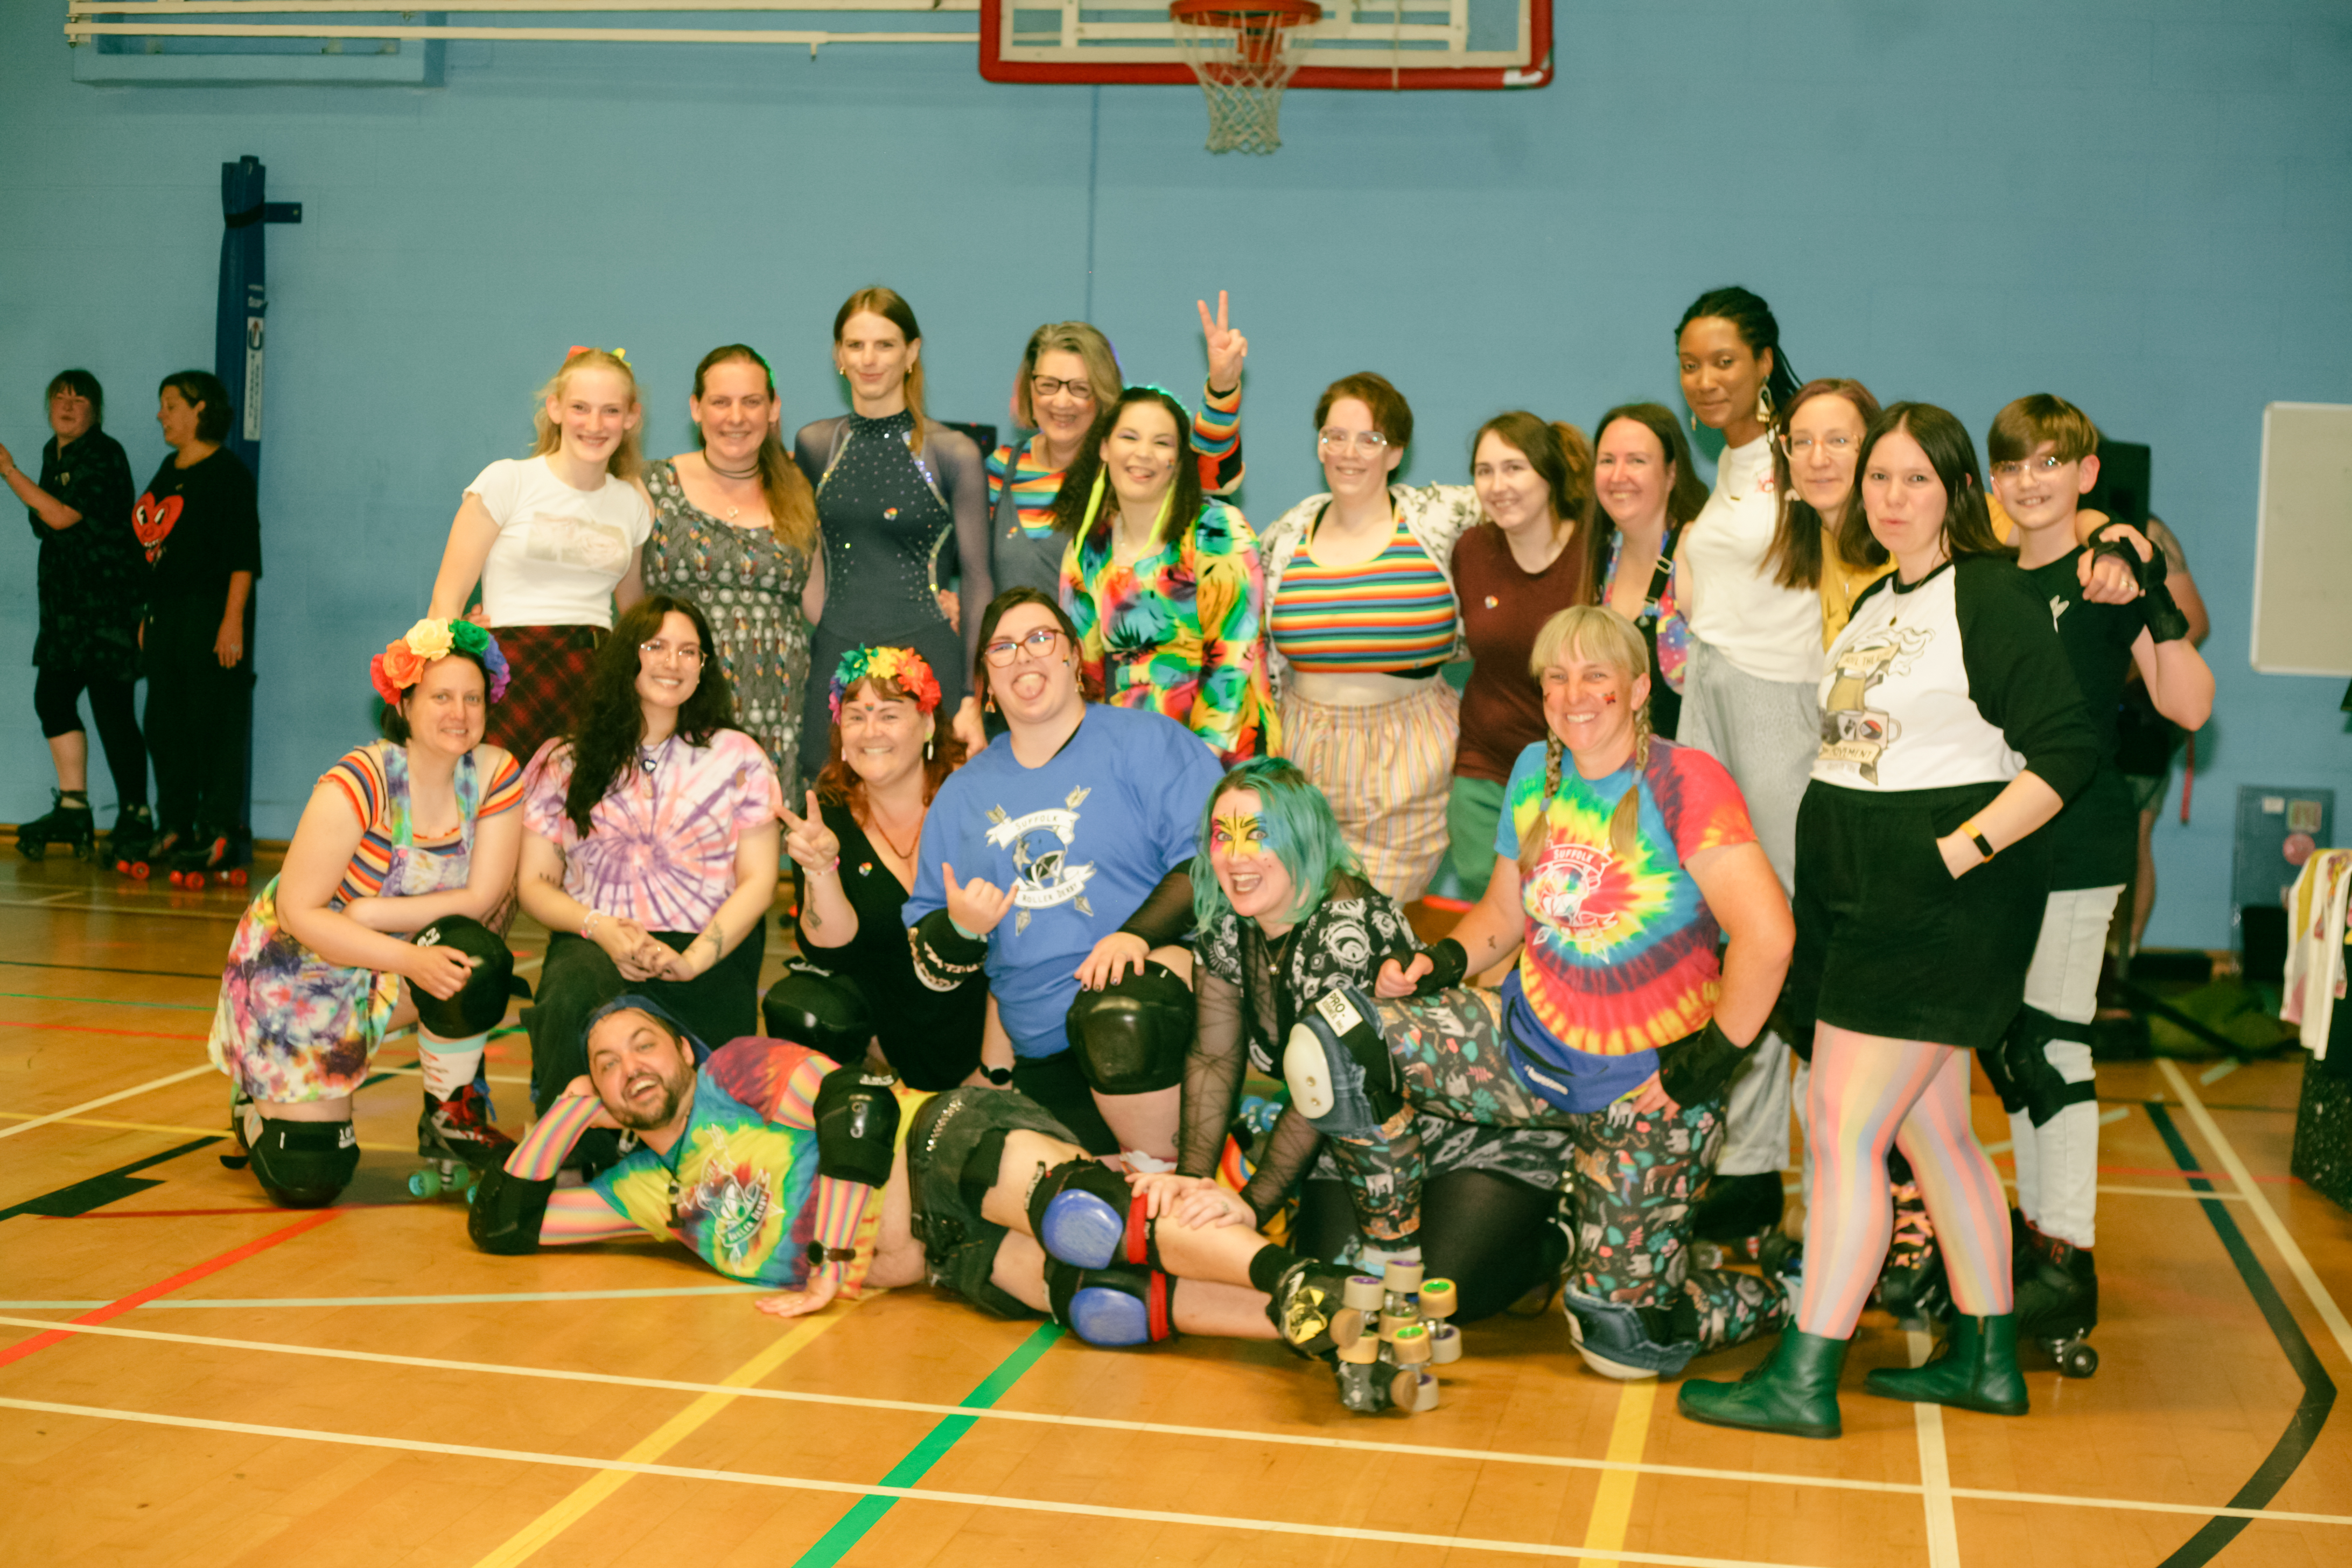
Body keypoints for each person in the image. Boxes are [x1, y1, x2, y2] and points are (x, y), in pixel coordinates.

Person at [1677, 403, 2098, 1439]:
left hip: (1931, 905)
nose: (1889, 497)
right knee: (1935, 1129)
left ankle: (1803, 1373)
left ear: (1958, 491)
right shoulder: (1871, 599)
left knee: (1837, 1129)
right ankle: (1988, 1358)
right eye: (1878, 479)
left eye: (1913, 478)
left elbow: (2067, 751)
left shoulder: (1988, 597)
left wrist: (1957, 852)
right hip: (1859, 895)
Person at [1282, 605, 1795, 1380]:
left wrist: (1708, 1061)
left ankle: (1784, 1294)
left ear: (1635, 687)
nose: (1574, 693)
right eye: (1557, 677)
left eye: (1595, 675)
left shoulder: (1687, 781)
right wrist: (1441, 963)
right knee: (1341, 1040)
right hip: (1528, 1050)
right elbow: (1501, 915)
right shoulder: (1534, 771)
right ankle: (1394, 1274)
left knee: (1625, 1345)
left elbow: (1769, 937)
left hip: (1645, 1089)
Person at [469, 997, 1366, 1373]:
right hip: (944, 1258)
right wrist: (562, 1116)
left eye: (641, 1044)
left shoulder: (736, 1071)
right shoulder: (639, 1190)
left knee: (1090, 1219)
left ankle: (1289, 1278)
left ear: (680, 1049)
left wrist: (827, 1260)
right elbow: (504, 1225)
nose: (628, 1067)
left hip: (938, 1143)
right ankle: (1339, 1321)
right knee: (1107, 1301)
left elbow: (854, 1103)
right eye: (605, 1064)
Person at [1179, 757, 1572, 1321]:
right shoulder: (1226, 924)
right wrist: (1193, 1183)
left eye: (1257, 835)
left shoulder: (1346, 926)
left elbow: (1332, 1075)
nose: (1235, 856)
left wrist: (1250, 1203)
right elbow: (1214, 1056)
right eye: (1222, 835)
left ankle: (1556, 1237)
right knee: (1347, 1292)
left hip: (1460, 1138)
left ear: (1302, 838)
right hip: (1347, 1152)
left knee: (1439, 1297)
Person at [1985, 394, 2212, 1367]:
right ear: (1994, 483)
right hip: (1996, 836)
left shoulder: (2105, 568)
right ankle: (2039, 1237)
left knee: (2055, 1041)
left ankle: (2066, 1258)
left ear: (2083, 473)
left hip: (2076, 840)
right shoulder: (1988, 572)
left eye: (2051, 461)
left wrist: (2150, 590)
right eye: (2013, 465)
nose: (2030, 479)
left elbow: (2188, 703)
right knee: (2011, 1047)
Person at [209, 619, 525, 1207]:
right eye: (441, 696)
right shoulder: (360, 779)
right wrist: (407, 953)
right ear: (404, 704)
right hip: (302, 969)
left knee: (475, 957)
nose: (460, 712)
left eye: (473, 698)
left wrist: (372, 912)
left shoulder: (494, 772)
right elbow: (300, 913)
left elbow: (484, 897)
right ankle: (253, 1103)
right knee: (309, 1176)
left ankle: (449, 1114)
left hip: (388, 955)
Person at [904, 588, 1224, 1163]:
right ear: (987, 684)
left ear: (1075, 659)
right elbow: (931, 965)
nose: (1023, 656)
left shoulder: (1149, 742)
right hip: (1044, 1048)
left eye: (1041, 638)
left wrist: (1135, 935)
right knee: (1077, 1228)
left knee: (1119, 1015)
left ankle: (1177, 1178)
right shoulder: (961, 796)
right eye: (1002, 648)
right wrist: (963, 929)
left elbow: (1210, 864)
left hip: (1149, 1015)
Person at [515, 594, 782, 1141]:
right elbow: (534, 885)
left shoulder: (739, 756)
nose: (673, 661)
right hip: (598, 940)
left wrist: (693, 959)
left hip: (707, 948)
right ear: (624, 657)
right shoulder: (563, 759)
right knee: (569, 992)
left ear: (704, 667)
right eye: (656, 645)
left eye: (690, 651)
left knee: (710, 1127)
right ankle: (569, 1147)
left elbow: (759, 881)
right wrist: (601, 929)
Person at [1666, 286, 1812, 1251]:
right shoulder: (1728, 463)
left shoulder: (1806, 456)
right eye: (1689, 363)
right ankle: (1741, 1165)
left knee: (1767, 932)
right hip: (1706, 700)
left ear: (1764, 360)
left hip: (1776, 704)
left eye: (1724, 359)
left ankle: (1770, 1165)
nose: (1704, 378)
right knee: (1711, 932)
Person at [1259, 374, 1475, 903]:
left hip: (1408, 762)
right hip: (1302, 759)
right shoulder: (1287, 533)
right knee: (1294, 924)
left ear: (1397, 450)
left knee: (1362, 927)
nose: (1348, 452)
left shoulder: (1442, 517)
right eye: (1334, 435)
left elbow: (1530, 506)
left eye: (1369, 438)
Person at [796, 288, 992, 787]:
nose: (869, 359)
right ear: (839, 355)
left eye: (885, 345)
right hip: (835, 655)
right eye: (855, 345)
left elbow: (977, 578)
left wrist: (973, 694)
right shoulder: (817, 444)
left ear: (912, 352)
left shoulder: (953, 453)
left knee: (933, 813)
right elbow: (806, 559)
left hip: (929, 656)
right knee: (829, 808)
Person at [771, 645, 984, 1090]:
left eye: (889, 715)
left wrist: (995, 1068)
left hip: (991, 1036)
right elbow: (831, 950)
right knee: (800, 1005)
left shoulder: (973, 797)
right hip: (891, 1039)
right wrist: (820, 868)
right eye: (855, 717)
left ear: (928, 723)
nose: (871, 732)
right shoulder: (826, 815)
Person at [428, 347, 654, 766]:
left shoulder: (633, 504)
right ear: (555, 409)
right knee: (497, 808)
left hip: (594, 676)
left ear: (631, 417)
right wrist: (456, 679)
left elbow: (634, 614)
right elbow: (445, 604)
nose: (594, 424)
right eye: (580, 408)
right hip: (509, 674)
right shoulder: (506, 481)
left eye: (610, 411)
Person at [630, 344, 820, 786]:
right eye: (721, 401)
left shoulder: (799, 493)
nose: (736, 417)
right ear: (697, 408)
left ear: (773, 408)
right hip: (677, 698)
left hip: (778, 708)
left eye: (752, 401)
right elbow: (630, 603)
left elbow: (820, 607)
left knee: (764, 842)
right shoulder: (651, 485)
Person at [1055, 385, 1275, 766]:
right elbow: (1081, 680)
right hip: (1134, 755)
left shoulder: (1218, 531)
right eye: (1129, 437)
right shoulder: (1086, 552)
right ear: (1105, 448)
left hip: (1227, 759)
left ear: (1178, 459)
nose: (1144, 454)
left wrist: (1194, 767)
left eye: (1162, 443)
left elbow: (1233, 658)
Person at [985, 302, 1248, 599]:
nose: (1061, 402)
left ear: (1103, 393)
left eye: (1080, 388)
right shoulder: (1001, 468)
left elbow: (1207, 474)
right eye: (1048, 385)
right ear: (1029, 388)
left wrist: (1222, 388)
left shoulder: (1127, 469)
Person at [1447, 412, 1594, 901]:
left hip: (1576, 769)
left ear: (1549, 476)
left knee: (1566, 909)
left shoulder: (1595, 549)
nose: (1497, 485)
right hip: (1485, 768)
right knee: (1484, 904)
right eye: (1484, 471)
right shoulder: (1472, 549)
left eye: (1514, 468)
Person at [3, 370, 148, 863]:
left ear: (94, 411)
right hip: (65, 613)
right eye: (59, 397)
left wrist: (9, 472)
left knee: (113, 710)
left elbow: (63, 515)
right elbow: (47, 522)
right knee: (53, 698)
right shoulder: (54, 453)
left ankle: (136, 814)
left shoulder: (104, 454)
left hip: (106, 608)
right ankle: (73, 806)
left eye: (78, 398)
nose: (67, 405)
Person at [135, 370, 261, 883]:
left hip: (211, 617)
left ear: (200, 410)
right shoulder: (167, 471)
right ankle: (177, 825)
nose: (162, 415)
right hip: (166, 619)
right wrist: (146, 617)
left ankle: (220, 831)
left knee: (214, 724)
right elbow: (152, 550)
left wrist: (232, 623)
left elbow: (242, 558)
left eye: (171, 405)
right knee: (164, 723)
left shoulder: (229, 475)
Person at [1587, 402, 1707, 742]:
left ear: (1671, 474)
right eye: (1607, 461)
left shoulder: (1695, 552)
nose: (1618, 475)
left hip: (1694, 776)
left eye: (1637, 461)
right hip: (1621, 777)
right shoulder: (1599, 558)